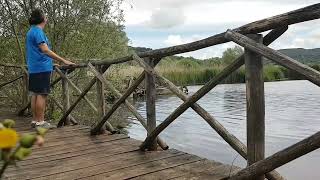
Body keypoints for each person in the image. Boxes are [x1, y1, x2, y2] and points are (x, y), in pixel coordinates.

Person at [26, 9, 75, 128]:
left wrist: (52, 64)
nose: (46, 18)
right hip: (41, 69)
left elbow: (37, 52)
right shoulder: (38, 31)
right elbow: (45, 50)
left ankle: (35, 121)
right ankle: (41, 122)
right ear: (42, 19)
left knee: (35, 94)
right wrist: (63, 60)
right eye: (45, 16)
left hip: (34, 67)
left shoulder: (31, 31)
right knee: (42, 94)